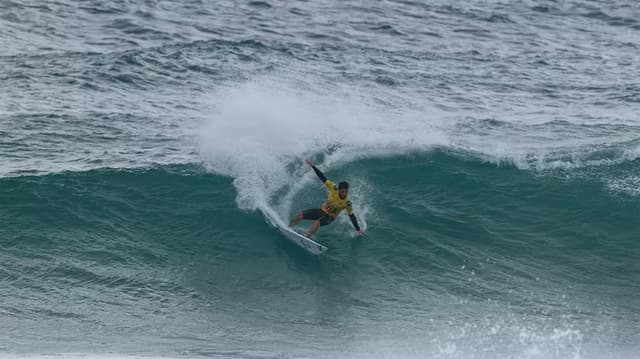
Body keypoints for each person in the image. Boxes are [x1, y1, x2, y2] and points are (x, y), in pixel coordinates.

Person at [289, 159, 365, 238]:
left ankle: (306, 237)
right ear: (339, 189)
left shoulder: (347, 202)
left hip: (329, 217)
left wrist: (358, 229)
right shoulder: (333, 188)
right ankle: (289, 228)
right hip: (322, 211)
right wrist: (312, 166)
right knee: (300, 215)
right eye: (343, 192)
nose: (344, 194)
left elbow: (352, 216)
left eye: (346, 192)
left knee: (317, 223)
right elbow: (322, 177)